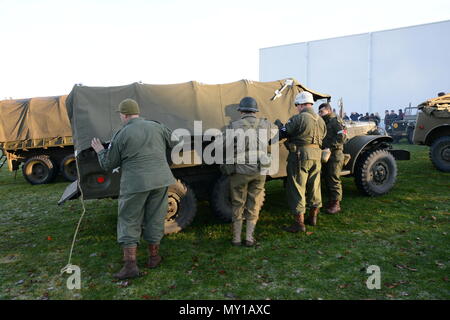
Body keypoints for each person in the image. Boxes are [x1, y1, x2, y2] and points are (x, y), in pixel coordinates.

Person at [91, 98, 177, 280]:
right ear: (137, 112)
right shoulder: (157, 126)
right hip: (161, 180)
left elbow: (108, 163)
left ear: (124, 115)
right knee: (155, 217)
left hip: (136, 183)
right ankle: (154, 258)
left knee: (129, 219)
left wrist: (99, 150)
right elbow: (174, 141)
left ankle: (130, 266)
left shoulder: (121, 134)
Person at [222, 97, 274, 247]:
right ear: (255, 111)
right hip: (259, 169)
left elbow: (224, 145)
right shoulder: (266, 125)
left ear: (241, 110)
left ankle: (236, 239)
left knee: (238, 202)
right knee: (254, 202)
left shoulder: (234, 126)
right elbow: (274, 136)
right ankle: (249, 238)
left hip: (240, 170)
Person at [276, 91, 326, 232]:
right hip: (317, 155)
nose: (297, 108)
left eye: (297, 105)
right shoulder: (321, 120)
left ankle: (299, 224)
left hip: (300, 156)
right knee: (315, 186)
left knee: (297, 187)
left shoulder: (298, 118)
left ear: (301, 104)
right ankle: (313, 217)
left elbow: (284, 133)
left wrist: (280, 127)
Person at [318, 103, 347, 214]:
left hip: (335, 154)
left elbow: (342, 136)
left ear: (328, 111)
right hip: (325, 154)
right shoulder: (324, 122)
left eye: (322, 112)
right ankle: (331, 201)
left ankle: (336, 204)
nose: (319, 114)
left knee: (333, 178)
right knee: (327, 177)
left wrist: (330, 147)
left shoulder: (336, 121)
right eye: (319, 112)